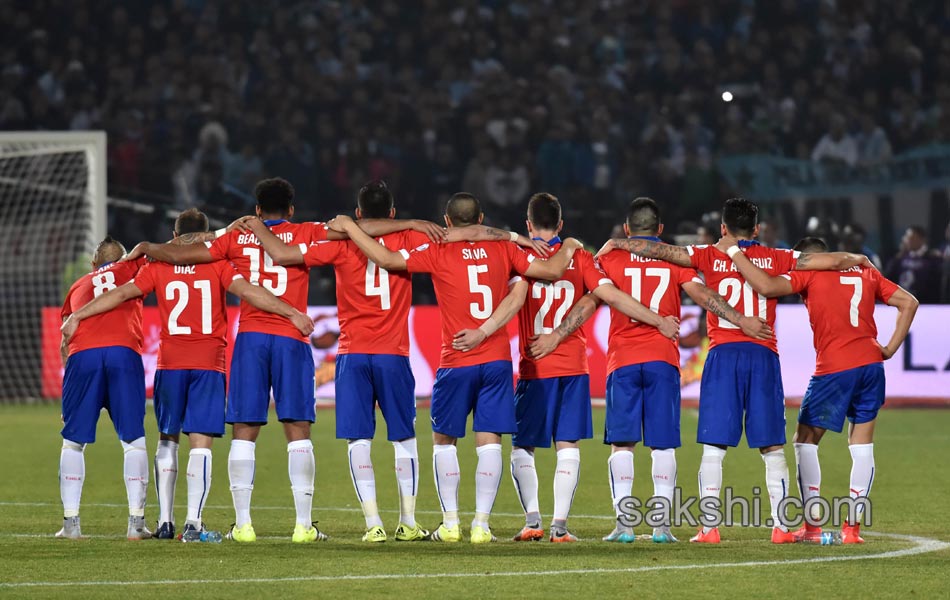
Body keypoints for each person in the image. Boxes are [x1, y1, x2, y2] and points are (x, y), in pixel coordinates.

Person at [122, 178, 441, 543]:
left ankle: (243, 525)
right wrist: (411, 224)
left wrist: (148, 247)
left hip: (251, 340)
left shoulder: (235, 236)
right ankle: (303, 526)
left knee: (244, 430)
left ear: (257, 209)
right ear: (291, 209)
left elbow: (182, 254)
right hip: (292, 339)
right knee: (298, 430)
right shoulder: (307, 231)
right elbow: (360, 229)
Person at [246, 181, 548, 543]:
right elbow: (465, 239)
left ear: (358, 214)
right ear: (392, 213)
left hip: (353, 354)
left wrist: (256, 225)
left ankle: (374, 523)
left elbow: (283, 253)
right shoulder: (414, 239)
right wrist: (510, 235)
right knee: (407, 438)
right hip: (397, 354)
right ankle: (413, 521)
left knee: (359, 439)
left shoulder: (342, 241)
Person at [596, 197, 872, 544]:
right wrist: (855, 258)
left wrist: (619, 243)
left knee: (714, 445)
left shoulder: (707, 254)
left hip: (724, 354)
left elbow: (661, 252)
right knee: (772, 445)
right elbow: (825, 261)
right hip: (762, 354)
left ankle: (709, 528)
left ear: (723, 228)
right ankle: (782, 528)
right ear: (756, 229)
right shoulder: (777, 257)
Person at [328, 192, 581, 544]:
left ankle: (450, 524)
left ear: (447, 222)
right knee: (489, 441)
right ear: (481, 219)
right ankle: (481, 525)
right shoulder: (505, 249)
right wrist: (567, 245)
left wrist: (351, 229)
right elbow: (552, 270)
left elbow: (386, 259)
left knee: (444, 441)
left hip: (456, 358)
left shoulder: (436, 248)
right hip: (494, 359)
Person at [61, 209, 314, 541]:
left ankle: (165, 521)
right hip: (209, 362)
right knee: (201, 444)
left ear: (174, 235)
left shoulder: (158, 266)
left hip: (170, 362)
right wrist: (291, 312)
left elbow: (121, 293)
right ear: (207, 235)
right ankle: (193, 522)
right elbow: (251, 292)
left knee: (168, 439)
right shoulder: (219, 264)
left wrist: (78, 315)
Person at [494, 193, 681, 544]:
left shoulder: (517, 256)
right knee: (569, 447)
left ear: (528, 223)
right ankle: (560, 527)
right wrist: (658, 320)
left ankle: (533, 520)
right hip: (574, 366)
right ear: (561, 224)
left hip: (534, 363)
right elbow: (607, 296)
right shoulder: (580, 257)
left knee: (522, 448)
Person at [594, 197, 772, 544]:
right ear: (660, 230)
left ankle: (625, 525)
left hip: (623, 359)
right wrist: (739, 319)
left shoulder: (611, 257)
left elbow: (594, 288)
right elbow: (703, 295)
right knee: (662, 446)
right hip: (663, 360)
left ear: (627, 229)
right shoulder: (673, 258)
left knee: (622, 445)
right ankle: (661, 527)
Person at [727, 236, 918, 543]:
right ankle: (852, 530)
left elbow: (767, 286)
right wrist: (889, 349)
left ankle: (812, 525)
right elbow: (909, 302)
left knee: (805, 440)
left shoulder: (810, 272)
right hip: (871, 366)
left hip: (835, 367)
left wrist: (734, 252)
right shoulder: (865, 272)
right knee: (862, 446)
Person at [57, 236, 150, 540]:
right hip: (124, 353)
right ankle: (136, 524)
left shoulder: (78, 286)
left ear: (94, 264)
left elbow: (64, 343)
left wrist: (67, 398)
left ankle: (71, 524)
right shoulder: (133, 268)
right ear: (122, 258)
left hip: (83, 356)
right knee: (133, 441)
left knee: (72, 442)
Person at [885, 226, 942, 304]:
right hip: (901, 300)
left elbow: (935, 284)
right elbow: (889, 276)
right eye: (907, 238)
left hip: (923, 302)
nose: (908, 241)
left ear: (922, 240)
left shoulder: (931, 258)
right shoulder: (901, 257)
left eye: (912, 238)